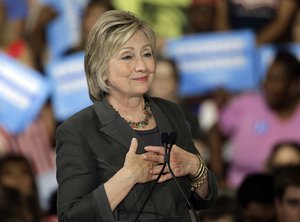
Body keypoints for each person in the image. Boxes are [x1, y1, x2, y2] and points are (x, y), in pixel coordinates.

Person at [56, 10, 218, 222]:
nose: (142, 66)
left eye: (147, 54)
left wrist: (195, 167)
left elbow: (205, 199)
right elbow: (71, 218)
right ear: (101, 68)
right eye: (127, 56)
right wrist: (127, 177)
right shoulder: (78, 130)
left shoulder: (171, 112)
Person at [208, 50, 300, 189]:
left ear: (294, 85)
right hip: (241, 193)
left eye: (275, 80)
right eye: (267, 78)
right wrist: (218, 177)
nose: (267, 85)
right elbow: (215, 133)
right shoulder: (246, 104)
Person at [215, 0, 299, 44]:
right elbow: (221, 17)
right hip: (234, 47)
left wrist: (252, 45)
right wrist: (231, 45)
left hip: (271, 51)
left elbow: (281, 22)